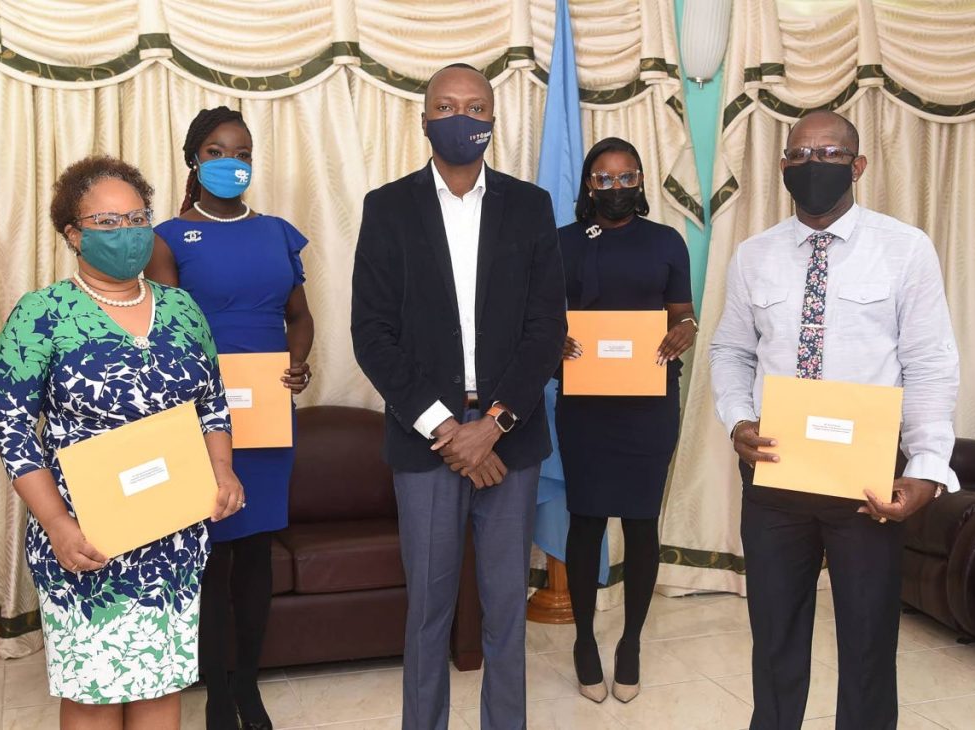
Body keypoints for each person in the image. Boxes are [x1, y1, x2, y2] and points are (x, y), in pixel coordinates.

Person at [710, 110, 959, 730]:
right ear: (784, 166)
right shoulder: (752, 256)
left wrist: (927, 466)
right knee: (774, 636)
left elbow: (929, 363)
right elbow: (730, 352)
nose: (812, 165)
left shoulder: (905, 249)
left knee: (870, 639)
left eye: (829, 153)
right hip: (775, 474)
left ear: (858, 165)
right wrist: (738, 420)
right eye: (799, 154)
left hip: (866, 480)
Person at [0, 156, 245, 730]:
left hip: (173, 536)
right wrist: (57, 524)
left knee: (161, 682)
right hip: (85, 538)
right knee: (94, 691)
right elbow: (10, 429)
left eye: (136, 218)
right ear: (72, 234)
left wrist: (222, 470)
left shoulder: (182, 309)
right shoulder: (40, 315)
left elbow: (213, 405)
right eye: (106, 222)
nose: (126, 233)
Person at [351, 63, 566, 730]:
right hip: (429, 444)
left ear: (493, 121)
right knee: (429, 612)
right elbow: (372, 333)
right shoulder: (387, 207)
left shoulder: (530, 206)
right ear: (424, 119)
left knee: (506, 607)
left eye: (475, 107)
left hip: (511, 434)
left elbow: (544, 330)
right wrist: (450, 429)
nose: (461, 117)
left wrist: (494, 423)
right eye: (446, 106)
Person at [146, 106, 314, 730]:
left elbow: (300, 318)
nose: (229, 162)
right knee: (212, 556)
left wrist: (298, 364)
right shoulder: (166, 237)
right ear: (194, 159)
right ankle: (217, 692)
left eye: (240, 152)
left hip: (268, 416)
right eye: (216, 151)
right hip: (196, 418)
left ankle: (249, 685)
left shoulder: (277, 233)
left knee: (256, 553)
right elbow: (160, 330)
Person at [556, 137, 697, 704]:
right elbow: (538, 315)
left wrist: (685, 329)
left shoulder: (667, 241)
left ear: (640, 181)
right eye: (604, 179)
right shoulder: (561, 243)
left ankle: (631, 642)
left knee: (641, 522)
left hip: (648, 402)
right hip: (586, 403)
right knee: (587, 520)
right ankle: (585, 641)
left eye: (626, 178)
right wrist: (552, 342)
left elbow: (682, 313)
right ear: (589, 185)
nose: (616, 188)